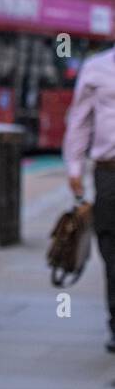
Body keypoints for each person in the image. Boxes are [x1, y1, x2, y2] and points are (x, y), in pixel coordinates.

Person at [62, 44, 115, 353]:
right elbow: (80, 119)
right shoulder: (97, 68)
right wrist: (74, 166)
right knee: (111, 247)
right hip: (110, 172)